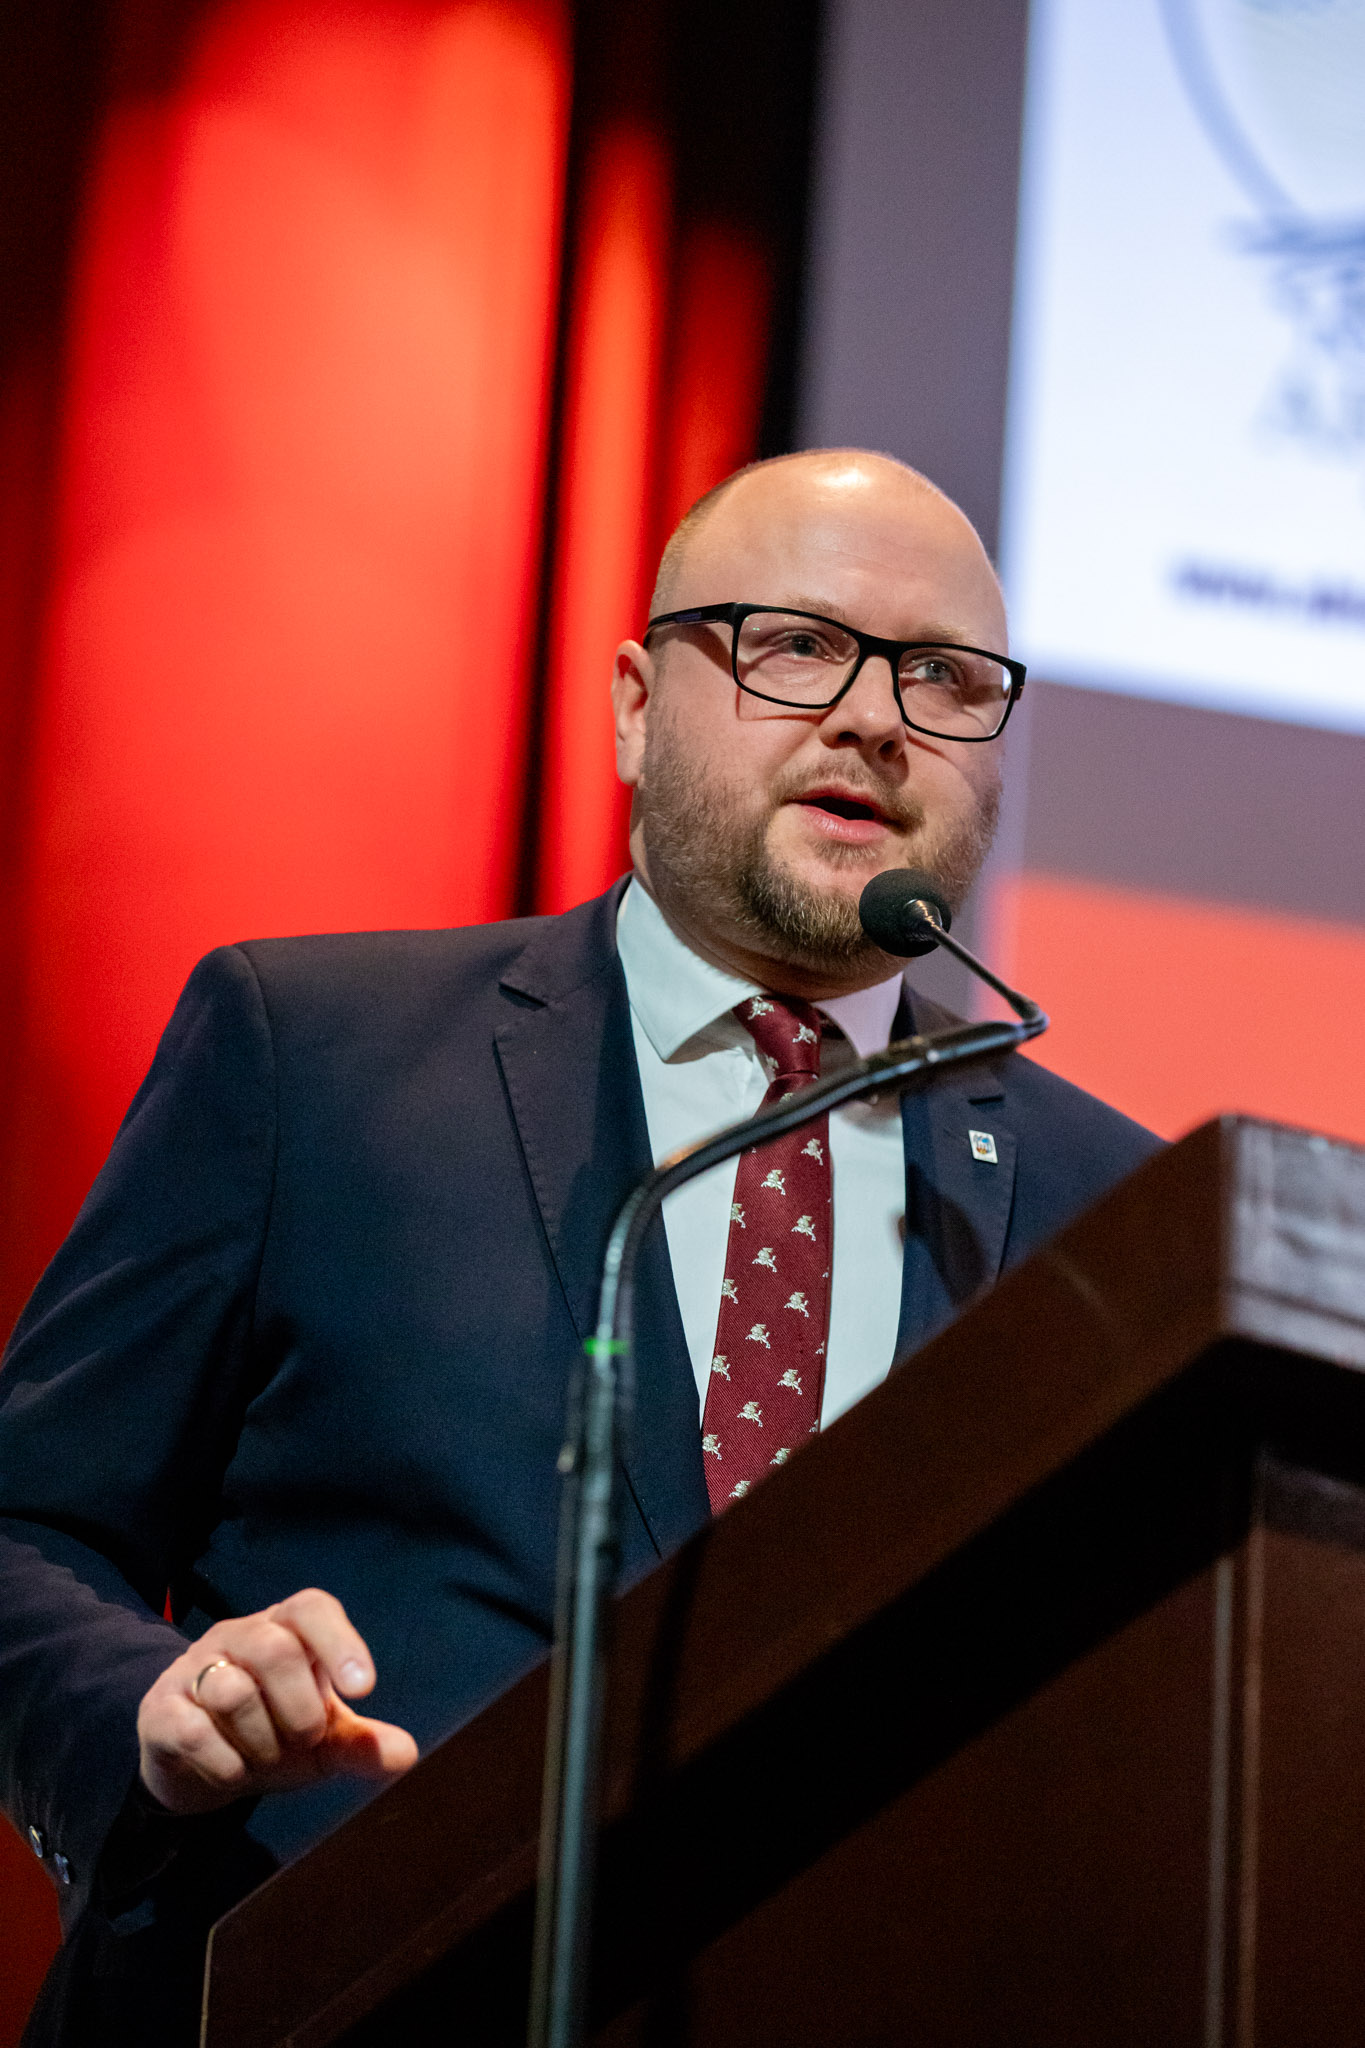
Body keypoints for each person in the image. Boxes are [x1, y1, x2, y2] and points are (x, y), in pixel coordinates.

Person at [0, 449, 1159, 2042]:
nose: (875, 719)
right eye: (797, 645)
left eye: (944, 680)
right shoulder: (314, 1057)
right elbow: (26, 1527)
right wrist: (146, 1711)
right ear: (631, 704)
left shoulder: (1111, 1210)